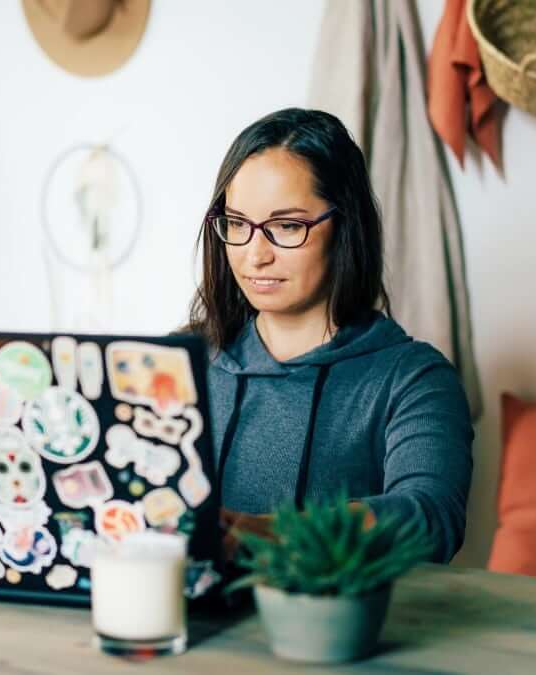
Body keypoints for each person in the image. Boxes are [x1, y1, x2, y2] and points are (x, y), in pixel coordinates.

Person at [187, 108, 473, 563]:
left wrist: (269, 532)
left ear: (345, 226)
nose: (254, 255)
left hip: (337, 633)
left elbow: (431, 517)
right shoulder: (183, 364)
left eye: (286, 227)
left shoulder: (413, 378)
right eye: (237, 224)